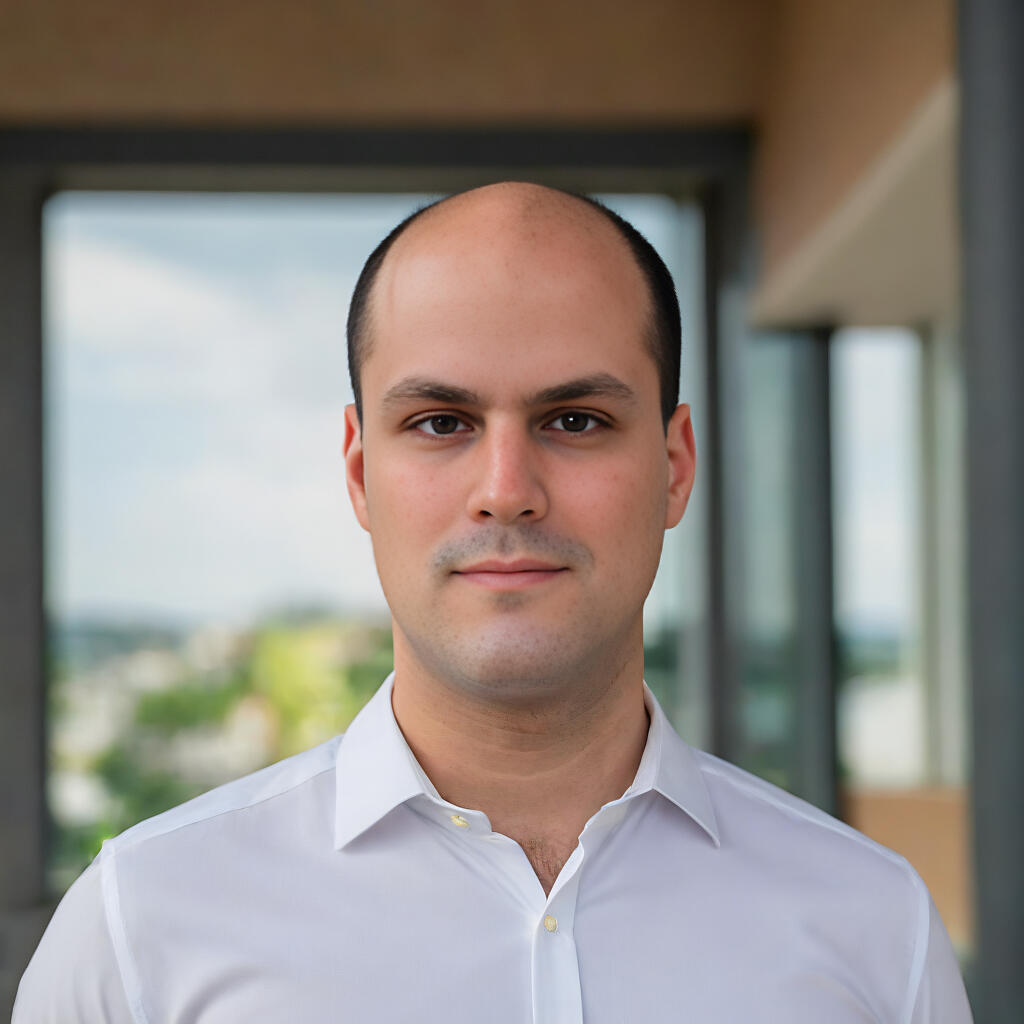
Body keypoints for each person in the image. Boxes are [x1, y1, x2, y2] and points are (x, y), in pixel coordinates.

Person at [15, 182, 972, 1022]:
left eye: (575, 420)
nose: (506, 487)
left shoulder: (875, 926)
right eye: (440, 422)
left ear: (675, 467)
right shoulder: (139, 928)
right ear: (359, 472)